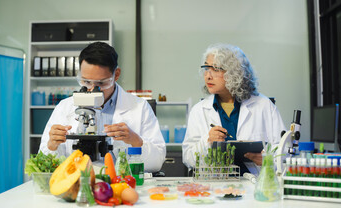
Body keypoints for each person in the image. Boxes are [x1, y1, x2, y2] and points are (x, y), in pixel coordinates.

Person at [39, 42, 166, 172]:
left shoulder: (140, 107)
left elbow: (157, 162)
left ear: (116, 74)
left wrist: (135, 141)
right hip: (77, 183)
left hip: (120, 184)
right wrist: (52, 146)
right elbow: (43, 163)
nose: (93, 89)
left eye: (101, 83)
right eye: (86, 82)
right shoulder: (64, 107)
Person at [182, 43, 286, 175]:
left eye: (215, 69)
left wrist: (267, 159)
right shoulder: (199, 111)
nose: (208, 76)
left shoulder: (263, 106)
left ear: (234, 73)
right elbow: (188, 158)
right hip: (214, 186)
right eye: (206, 68)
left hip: (254, 185)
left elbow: (285, 150)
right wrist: (207, 142)